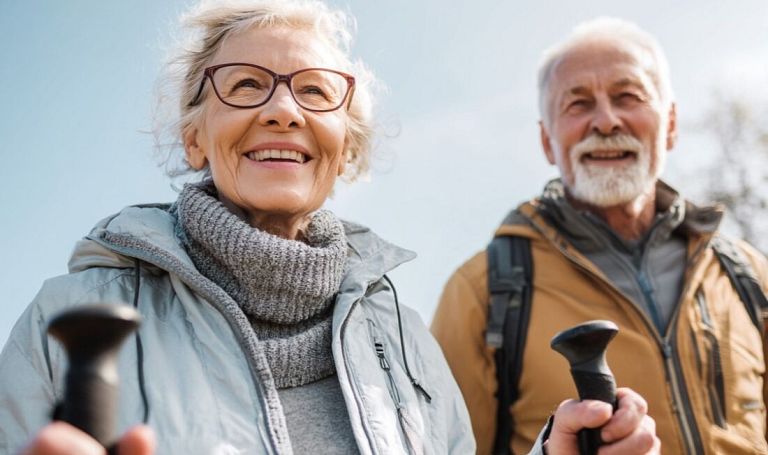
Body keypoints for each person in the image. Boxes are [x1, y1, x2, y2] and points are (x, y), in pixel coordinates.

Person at [0, 2, 658, 454]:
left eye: (315, 92)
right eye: (247, 83)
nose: (283, 110)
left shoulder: (405, 342)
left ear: (346, 148)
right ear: (193, 138)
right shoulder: (70, 320)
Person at [432, 16, 768, 455]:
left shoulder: (747, 274)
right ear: (547, 141)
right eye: (578, 104)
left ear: (669, 123)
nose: (606, 122)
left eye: (627, 96)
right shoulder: (481, 292)